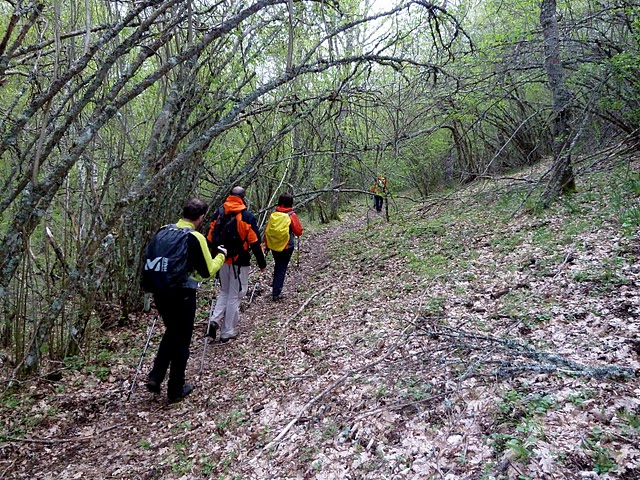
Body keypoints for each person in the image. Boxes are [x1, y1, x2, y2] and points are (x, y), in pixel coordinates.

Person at [145, 198, 226, 403]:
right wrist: (221, 256)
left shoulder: (163, 230)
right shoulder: (195, 237)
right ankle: (176, 388)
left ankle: (156, 376)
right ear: (201, 217)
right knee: (181, 339)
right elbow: (207, 271)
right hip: (183, 294)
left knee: (172, 332)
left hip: (160, 291)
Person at [206, 186, 267, 342]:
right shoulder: (247, 217)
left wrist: (213, 257)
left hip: (221, 259)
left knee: (224, 292)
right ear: (243, 198)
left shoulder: (219, 213)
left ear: (230, 196)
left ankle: (214, 320)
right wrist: (262, 263)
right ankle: (227, 331)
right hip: (239, 262)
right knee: (236, 294)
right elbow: (255, 242)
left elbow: (210, 239)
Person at [264, 192, 304, 301]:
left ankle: (275, 285)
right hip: (286, 246)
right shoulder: (291, 215)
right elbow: (298, 231)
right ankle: (276, 292)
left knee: (278, 265)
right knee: (282, 267)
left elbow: (267, 230)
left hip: (273, 245)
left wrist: (267, 245)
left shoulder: (274, 214)